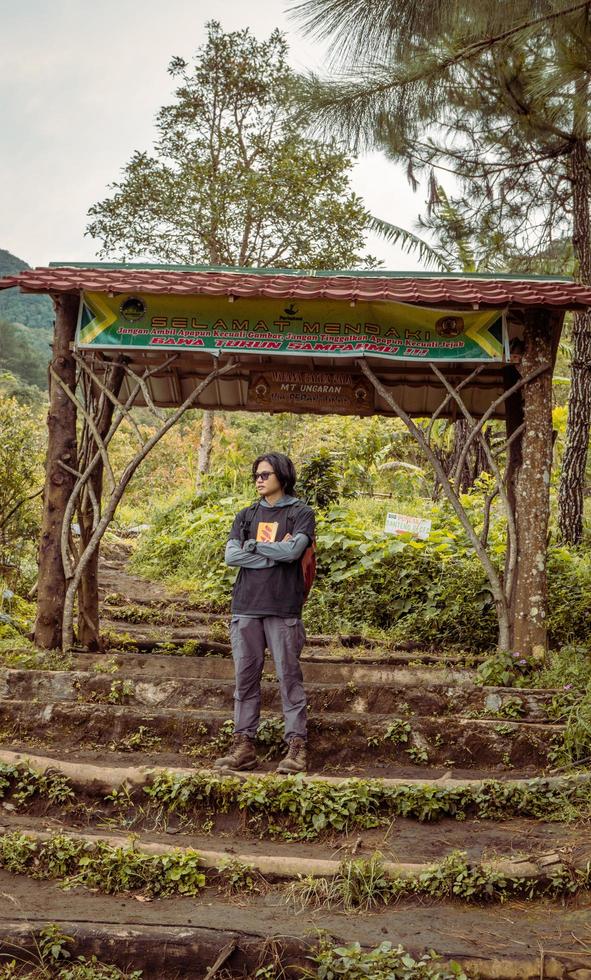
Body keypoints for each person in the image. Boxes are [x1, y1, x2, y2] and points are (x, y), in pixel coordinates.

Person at [214, 452, 315, 774]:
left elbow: (295, 550)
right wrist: (275, 554)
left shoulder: (301, 513)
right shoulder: (245, 515)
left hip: (283, 606)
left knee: (289, 678)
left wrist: (254, 548)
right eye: (256, 475)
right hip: (245, 606)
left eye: (265, 474)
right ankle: (243, 746)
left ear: (282, 477)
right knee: (245, 680)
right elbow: (231, 556)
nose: (259, 479)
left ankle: (297, 747)